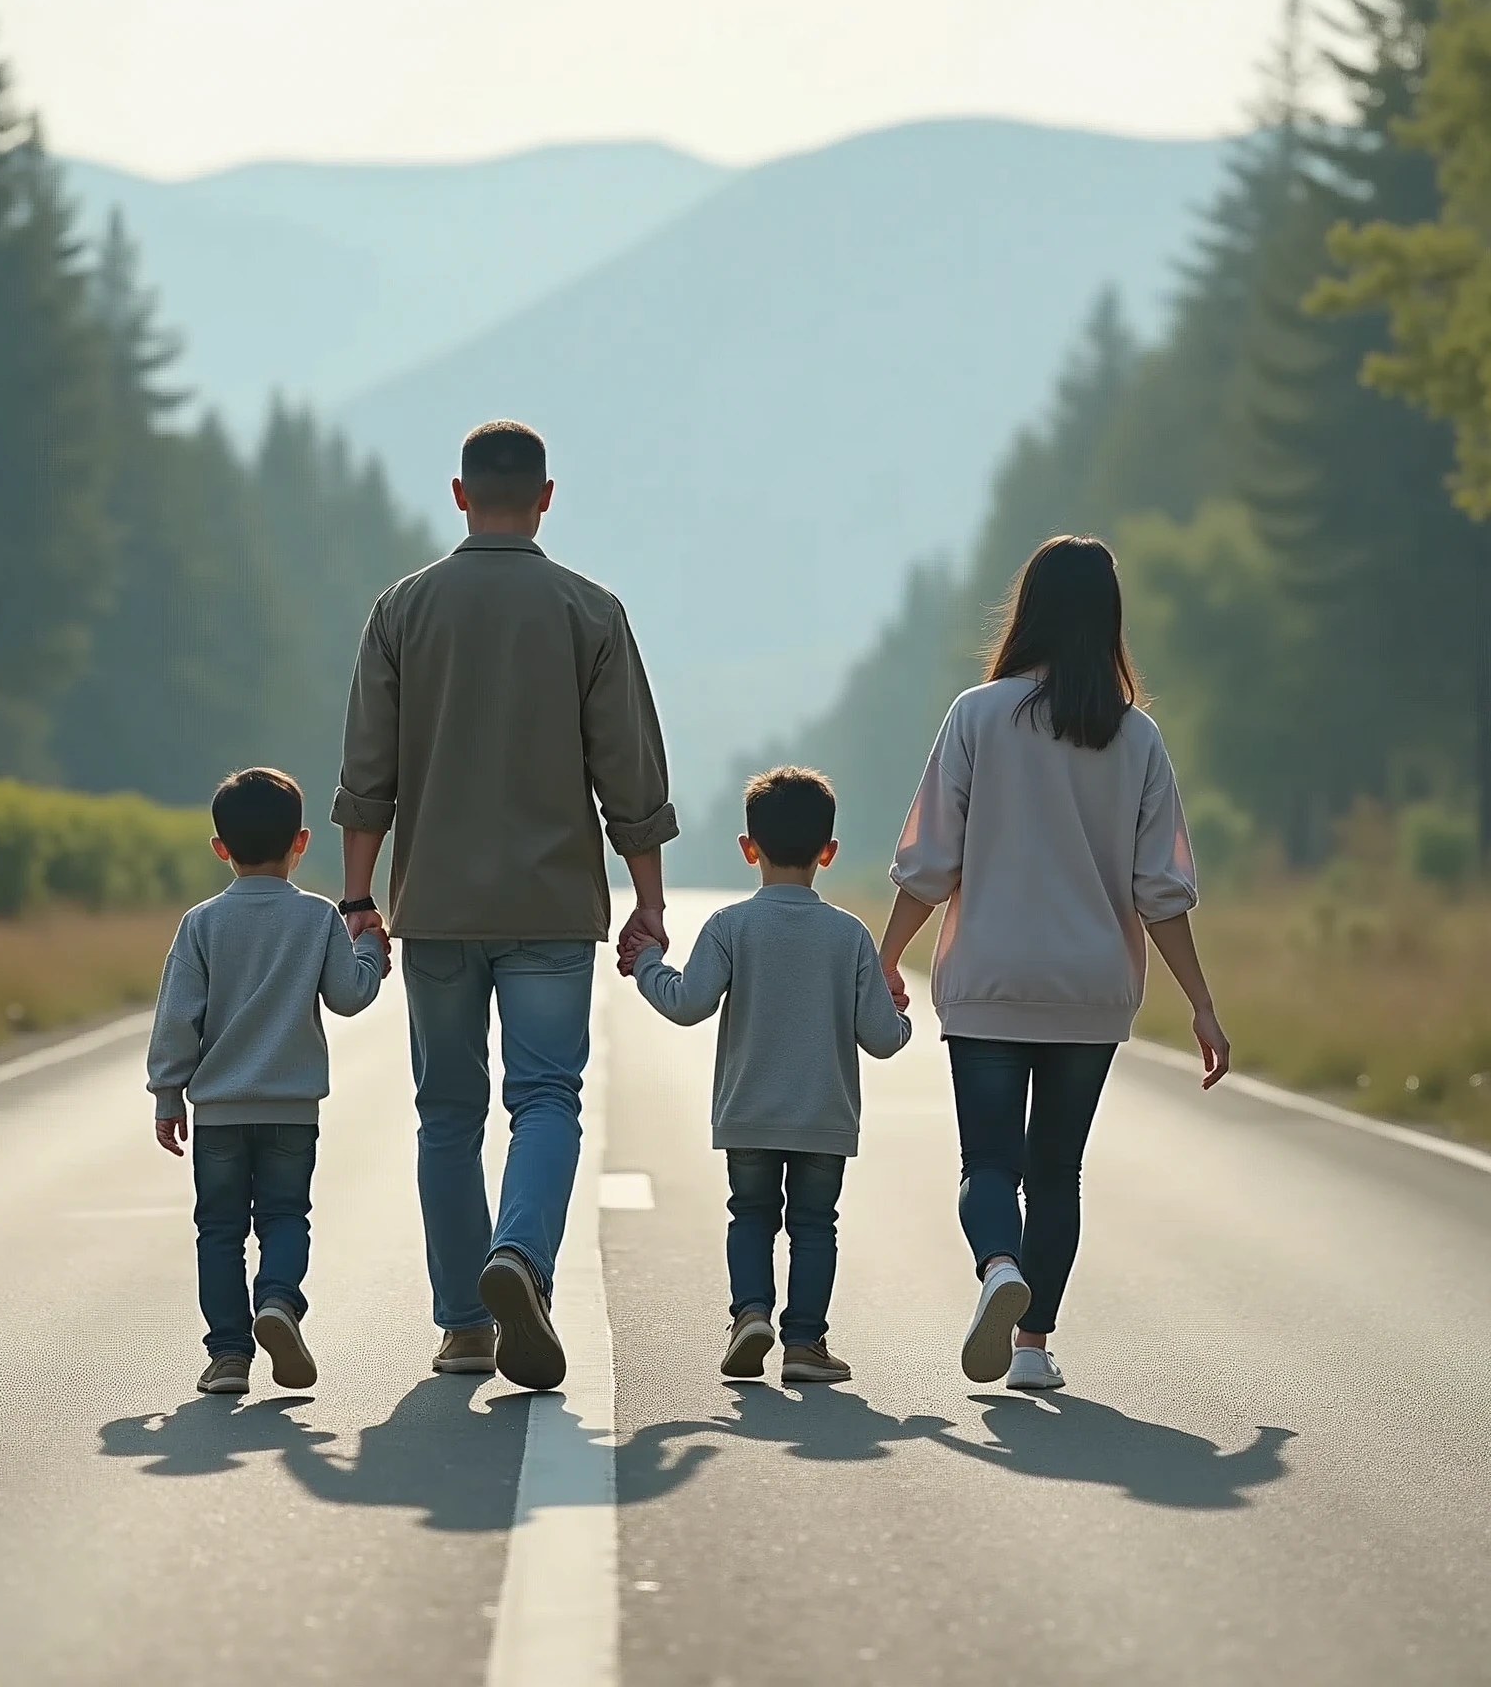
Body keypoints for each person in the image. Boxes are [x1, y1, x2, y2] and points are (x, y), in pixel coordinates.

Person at [334, 420, 677, 1392]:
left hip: (435, 902)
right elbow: (629, 770)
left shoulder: (402, 609)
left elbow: (369, 772)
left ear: (457, 494)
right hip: (551, 902)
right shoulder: (588, 609)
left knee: (445, 1110)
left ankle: (462, 1325)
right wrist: (645, 902)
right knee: (545, 1097)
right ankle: (518, 1256)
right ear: (545, 496)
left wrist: (358, 897)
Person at [877, 536, 1231, 1394]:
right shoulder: (1137, 738)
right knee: (1058, 1172)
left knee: (988, 1165)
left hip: (991, 979)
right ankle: (1032, 1348)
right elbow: (1161, 890)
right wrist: (1202, 1004)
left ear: (1027, 609)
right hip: (1091, 985)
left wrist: (888, 956)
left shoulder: (976, 715)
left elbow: (932, 862)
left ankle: (998, 1267)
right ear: (1108, 622)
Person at [621, 767, 911, 1385]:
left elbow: (687, 1002)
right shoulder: (850, 935)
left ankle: (751, 1314)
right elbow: (882, 1039)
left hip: (748, 1111)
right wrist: (901, 1014)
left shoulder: (730, 927)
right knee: (814, 1225)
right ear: (828, 854)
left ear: (748, 849)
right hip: (824, 1117)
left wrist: (647, 962)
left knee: (750, 1214)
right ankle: (804, 1344)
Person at [147, 767, 390, 1398]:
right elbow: (348, 997)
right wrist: (372, 952)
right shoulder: (316, 919)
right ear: (300, 843)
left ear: (220, 848)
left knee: (219, 1230)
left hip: (220, 1114)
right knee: (285, 1216)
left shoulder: (200, 925)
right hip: (292, 1110)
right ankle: (278, 1302)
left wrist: (168, 1094)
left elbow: (178, 1017)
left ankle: (228, 1355)